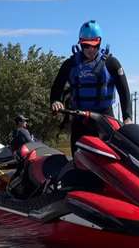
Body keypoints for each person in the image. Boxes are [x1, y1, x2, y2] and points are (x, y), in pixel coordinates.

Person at [50, 20, 132, 155]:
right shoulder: (69, 64)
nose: (90, 49)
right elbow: (56, 87)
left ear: (99, 42)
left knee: (109, 163)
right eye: (86, 46)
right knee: (79, 163)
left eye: (94, 45)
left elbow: (124, 92)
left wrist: (127, 118)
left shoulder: (111, 63)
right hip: (80, 120)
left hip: (105, 120)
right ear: (81, 43)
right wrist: (55, 100)